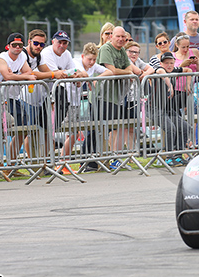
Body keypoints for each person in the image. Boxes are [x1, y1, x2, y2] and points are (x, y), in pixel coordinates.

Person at [0, 33, 36, 178]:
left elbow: (28, 71)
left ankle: (11, 165)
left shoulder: (22, 57)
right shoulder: (2, 57)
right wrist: (21, 75)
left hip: (8, 99)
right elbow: (8, 76)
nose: (17, 48)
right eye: (14, 45)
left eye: (20, 45)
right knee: (7, 125)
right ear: (8, 46)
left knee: (23, 126)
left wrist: (17, 74)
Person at [39, 30, 88, 173]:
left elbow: (78, 71)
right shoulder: (47, 53)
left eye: (65, 42)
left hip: (55, 97)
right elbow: (58, 74)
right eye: (59, 42)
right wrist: (74, 75)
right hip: (40, 96)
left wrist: (76, 75)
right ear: (53, 41)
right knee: (37, 130)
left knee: (50, 130)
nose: (62, 45)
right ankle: (40, 164)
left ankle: (48, 163)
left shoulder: (66, 54)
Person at [95, 26, 134, 157]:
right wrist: (127, 72)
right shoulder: (106, 48)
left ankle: (114, 157)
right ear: (111, 37)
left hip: (116, 96)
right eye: (118, 36)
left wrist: (126, 71)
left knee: (115, 127)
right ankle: (93, 161)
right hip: (101, 95)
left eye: (123, 36)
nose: (121, 39)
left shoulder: (122, 50)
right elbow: (112, 70)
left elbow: (128, 67)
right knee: (99, 129)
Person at [152, 51, 194, 160]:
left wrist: (188, 84)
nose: (169, 65)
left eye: (171, 63)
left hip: (168, 109)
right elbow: (161, 72)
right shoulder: (159, 70)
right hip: (154, 109)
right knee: (171, 128)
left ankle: (179, 155)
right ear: (161, 63)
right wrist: (169, 84)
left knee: (185, 127)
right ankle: (169, 157)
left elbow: (188, 70)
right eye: (166, 63)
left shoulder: (174, 69)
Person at [21, 29, 53, 160]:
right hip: (20, 98)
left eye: (42, 44)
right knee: (23, 133)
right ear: (29, 42)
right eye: (36, 43)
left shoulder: (39, 56)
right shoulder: (22, 54)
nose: (39, 46)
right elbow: (31, 74)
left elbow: (45, 70)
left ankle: (37, 162)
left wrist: (56, 74)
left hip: (35, 99)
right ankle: (31, 163)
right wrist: (53, 74)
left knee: (34, 132)